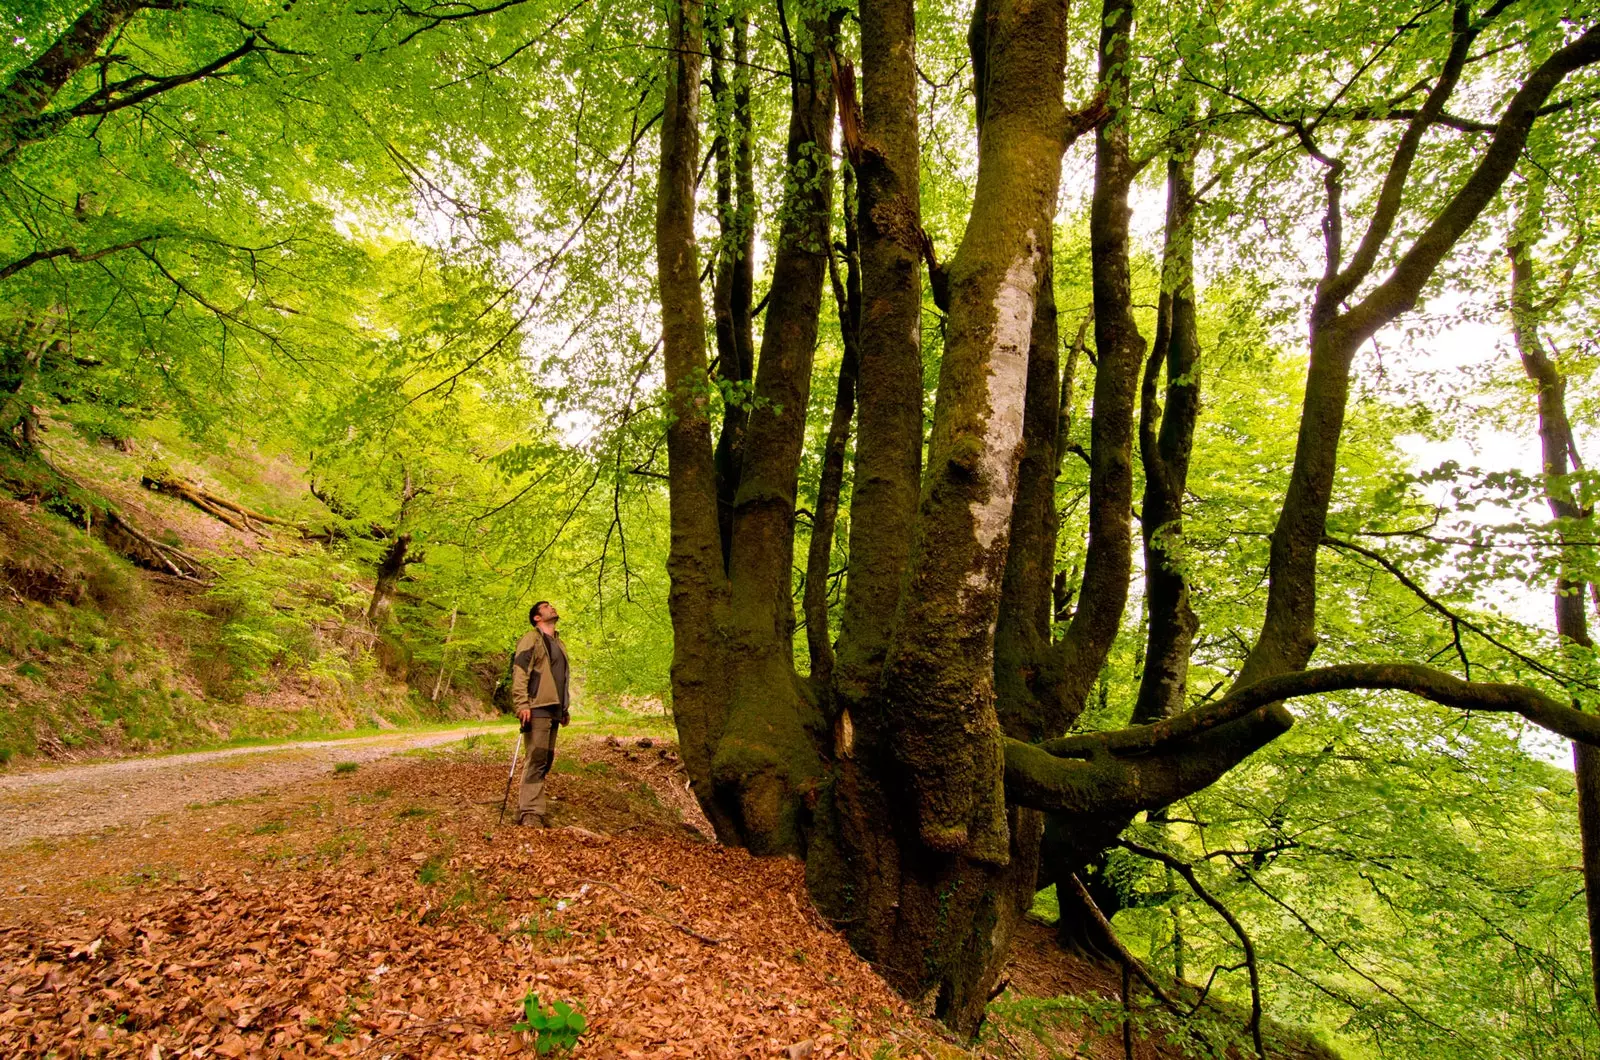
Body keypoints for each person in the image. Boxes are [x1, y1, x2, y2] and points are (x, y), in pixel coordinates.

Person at [510, 600, 571, 828]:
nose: (552, 608)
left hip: (554, 708)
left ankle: (525, 806)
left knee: (546, 760)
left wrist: (564, 708)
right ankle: (531, 812)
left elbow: (562, 678)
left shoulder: (559, 643)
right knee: (536, 758)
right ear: (537, 617)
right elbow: (520, 671)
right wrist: (522, 704)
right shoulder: (531, 639)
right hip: (536, 706)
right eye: (546, 606)